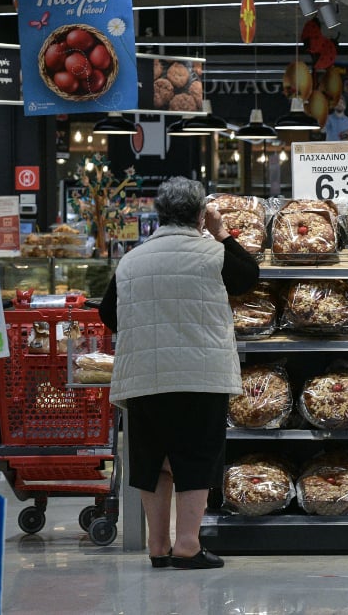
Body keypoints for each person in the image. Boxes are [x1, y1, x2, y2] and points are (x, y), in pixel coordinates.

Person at [99, 177, 260, 570]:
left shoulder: (132, 259)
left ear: (159, 214)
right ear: (199, 214)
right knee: (196, 457)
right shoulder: (212, 254)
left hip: (144, 377)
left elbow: (107, 313)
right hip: (198, 375)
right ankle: (187, 545)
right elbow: (248, 277)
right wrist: (222, 232)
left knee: (153, 461)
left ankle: (157, 545)